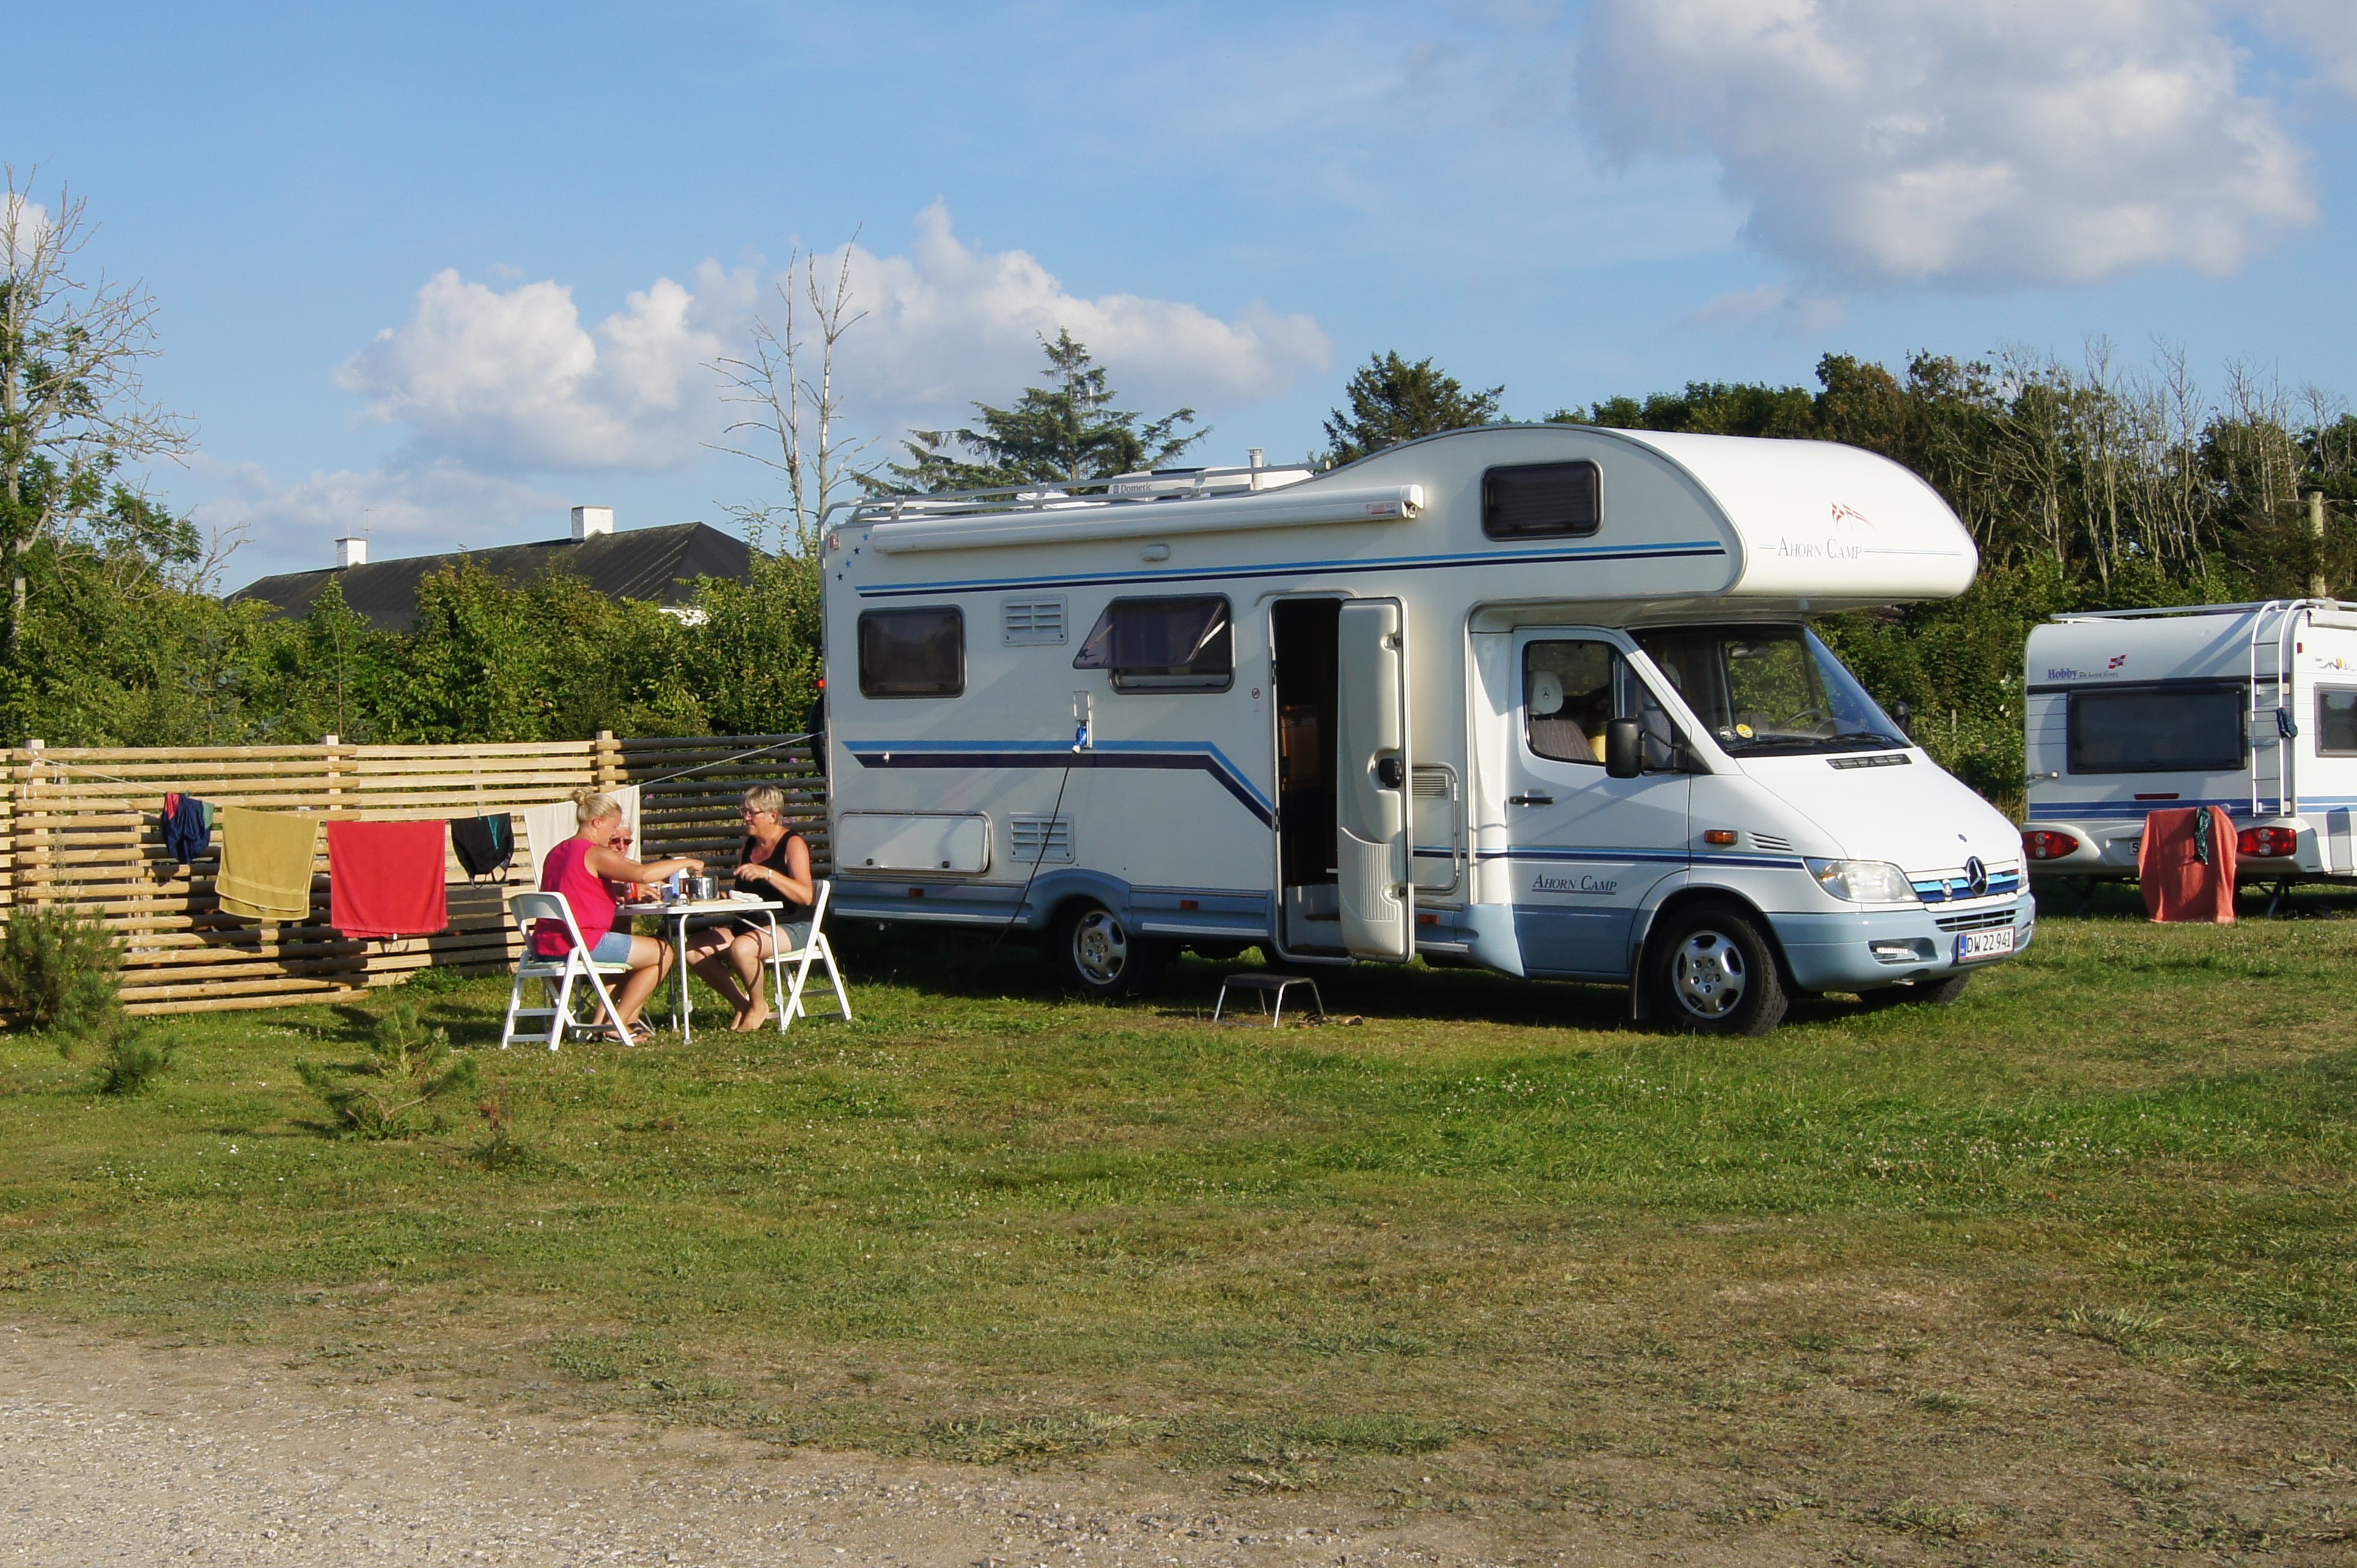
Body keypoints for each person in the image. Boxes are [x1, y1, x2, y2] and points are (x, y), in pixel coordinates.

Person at [533, 788, 704, 1042]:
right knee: (663, 952)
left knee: (627, 951)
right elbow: (643, 874)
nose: (614, 834)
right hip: (582, 943)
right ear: (597, 822)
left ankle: (607, 1021)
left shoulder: (558, 852)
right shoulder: (593, 852)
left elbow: (573, 888)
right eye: (612, 827)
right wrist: (686, 862)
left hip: (546, 944)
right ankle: (618, 1022)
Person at [685, 784, 815, 1032]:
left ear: (773, 816)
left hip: (791, 924)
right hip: (749, 923)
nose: (745, 818)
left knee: (742, 948)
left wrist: (768, 874)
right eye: (743, 811)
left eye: (751, 812)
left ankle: (759, 1005)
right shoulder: (749, 846)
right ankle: (743, 1004)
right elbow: (745, 894)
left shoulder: (792, 844)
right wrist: (719, 896)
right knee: (693, 949)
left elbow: (806, 895)